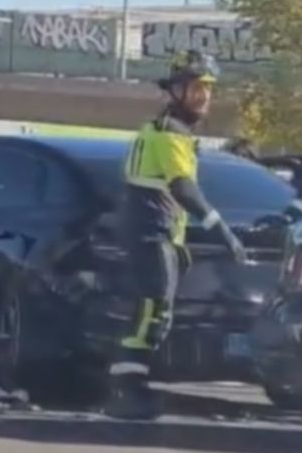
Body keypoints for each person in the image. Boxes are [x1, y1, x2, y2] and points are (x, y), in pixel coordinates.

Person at [105, 50, 248, 420]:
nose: (203, 97)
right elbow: (183, 188)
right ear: (175, 91)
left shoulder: (166, 130)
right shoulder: (171, 133)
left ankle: (132, 386)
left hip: (158, 234)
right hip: (151, 234)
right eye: (196, 88)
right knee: (152, 312)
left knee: (154, 312)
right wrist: (222, 230)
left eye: (208, 89)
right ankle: (125, 392)